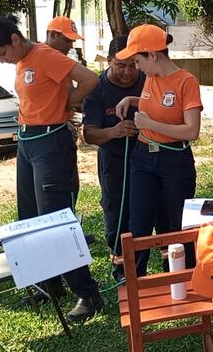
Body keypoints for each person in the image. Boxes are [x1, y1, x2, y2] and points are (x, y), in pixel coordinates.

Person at [0, 15, 103, 323]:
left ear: (15, 40)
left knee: (54, 221)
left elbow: (90, 79)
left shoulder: (47, 56)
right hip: (28, 143)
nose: (3, 61)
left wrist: (67, 104)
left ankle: (88, 293)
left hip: (51, 144)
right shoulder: (21, 61)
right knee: (30, 218)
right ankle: (50, 284)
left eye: (2, 54)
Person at [114, 24, 202, 277]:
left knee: (178, 222)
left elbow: (191, 131)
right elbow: (153, 104)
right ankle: (134, 279)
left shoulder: (186, 81)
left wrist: (150, 124)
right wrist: (131, 100)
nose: (136, 67)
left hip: (174, 159)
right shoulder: (150, 78)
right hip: (143, 157)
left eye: (138, 60)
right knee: (138, 221)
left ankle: (184, 278)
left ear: (153, 55)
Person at [82, 35, 145, 280]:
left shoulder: (147, 80)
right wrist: (114, 131)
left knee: (147, 209)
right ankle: (122, 268)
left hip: (146, 155)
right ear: (108, 61)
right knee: (117, 211)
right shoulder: (97, 89)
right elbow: (89, 134)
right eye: (121, 66)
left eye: (133, 65)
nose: (129, 72)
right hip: (114, 159)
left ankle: (147, 265)